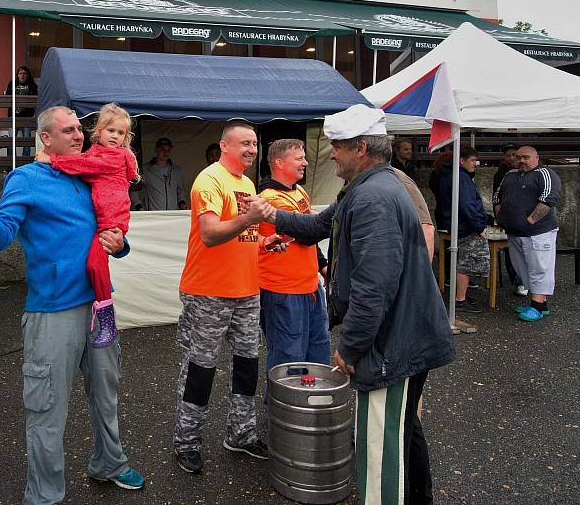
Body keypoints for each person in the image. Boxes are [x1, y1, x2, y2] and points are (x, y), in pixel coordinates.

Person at [265, 105, 456, 505]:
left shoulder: (373, 198)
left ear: (361, 148)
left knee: (383, 444)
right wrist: (267, 212)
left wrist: (350, 347)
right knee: (404, 430)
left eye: (337, 146)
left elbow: (374, 288)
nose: (331, 153)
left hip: (393, 343)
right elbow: (317, 227)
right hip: (404, 335)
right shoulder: (369, 187)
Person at [0, 105, 144, 504]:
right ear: (45, 137)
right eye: (69, 130)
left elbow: (111, 229)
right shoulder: (27, 179)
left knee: (106, 392)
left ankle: (108, 463)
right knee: (46, 409)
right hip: (53, 312)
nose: (79, 135)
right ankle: (44, 495)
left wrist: (120, 244)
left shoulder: (89, 174)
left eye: (80, 129)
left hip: (99, 305)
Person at [174, 122, 274, 475]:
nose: (251, 149)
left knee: (247, 368)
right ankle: (187, 442)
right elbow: (212, 234)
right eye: (245, 143)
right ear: (224, 145)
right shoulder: (210, 180)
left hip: (247, 291)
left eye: (255, 143)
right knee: (201, 370)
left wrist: (264, 241)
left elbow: (243, 234)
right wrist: (251, 216)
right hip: (209, 293)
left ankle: (241, 434)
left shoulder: (245, 182)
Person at [34, 102, 139, 347]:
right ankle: (105, 318)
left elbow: (84, 166)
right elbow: (85, 160)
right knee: (94, 265)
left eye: (121, 133)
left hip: (111, 219)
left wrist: (53, 160)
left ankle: (108, 321)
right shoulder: (95, 153)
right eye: (111, 131)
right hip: (104, 220)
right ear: (99, 131)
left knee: (94, 265)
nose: (115, 137)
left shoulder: (114, 157)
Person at [257, 138, 330, 377]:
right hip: (283, 291)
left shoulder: (299, 191)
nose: (305, 163)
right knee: (288, 358)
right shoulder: (269, 199)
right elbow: (308, 233)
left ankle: (312, 405)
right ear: (279, 162)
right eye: (299, 159)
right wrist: (341, 207)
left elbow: (311, 238)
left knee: (318, 353)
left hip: (310, 288)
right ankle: (282, 411)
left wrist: (323, 267)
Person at [493, 145, 561, 322]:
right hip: (515, 233)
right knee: (523, 269)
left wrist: (529, 221)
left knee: (539, 268)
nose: (522, 160)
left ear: (536, 158)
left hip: (538, 232)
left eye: (526, 157)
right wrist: (501, 217)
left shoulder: (545, 174)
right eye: (519, 157)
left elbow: (548, 198)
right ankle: (540, 303)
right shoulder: (510, 175)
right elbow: (497, 196)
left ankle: (537, 306)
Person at [436, 145, 489, 318]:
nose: (476, 164)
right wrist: (479, 226)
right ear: (462, 160)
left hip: (455, 224)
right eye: (473, 160)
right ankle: (460, 299)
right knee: (466, 263)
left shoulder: (448, 175)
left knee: (462, 261)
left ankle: (460, 297)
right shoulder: (461, 178)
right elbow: (467, 205)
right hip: (464, 226)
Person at [491, 143, 526, 296]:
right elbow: (496, 197)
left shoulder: (527, 172)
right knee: (512, 250)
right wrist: (500, 214)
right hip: (508, 217)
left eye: (515, 155)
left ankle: (524, 280)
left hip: (522, 218)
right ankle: (518, 280)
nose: (512, 158)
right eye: (509, 155)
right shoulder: (503, 174)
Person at [134, 137, 187, 211]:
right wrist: (138, 206)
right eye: (163, 149)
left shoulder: (176, 171)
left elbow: (180, 190)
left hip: (173, 215)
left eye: (168, 149)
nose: (166, 152)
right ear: (156, 150)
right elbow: (134, 190)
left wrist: (182, 202)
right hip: (154, 216)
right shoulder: (145, 169)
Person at [4, 65, 38, 156]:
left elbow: (36, 100)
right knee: (11, 141)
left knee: (26, 142)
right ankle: (10, 163)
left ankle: (25, 163)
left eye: (24, 73)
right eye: (20, 73)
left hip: (26, 118)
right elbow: (7, 97)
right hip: (13, 116)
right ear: (17, 75)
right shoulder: (12, 84)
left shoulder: (33, 86)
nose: (22, 75)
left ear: (28, 75)